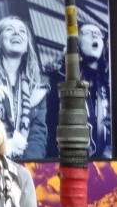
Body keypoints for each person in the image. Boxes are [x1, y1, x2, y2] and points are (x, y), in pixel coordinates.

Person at [44, 15, 113, 159]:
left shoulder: (109, 81)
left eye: (98, 34)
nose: (95, 36)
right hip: (70, 159)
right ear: (76, 43)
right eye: (87, 33)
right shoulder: (59, 78)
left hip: (106, 161)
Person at [0, 15, 48, 159]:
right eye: (9, 29)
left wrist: (29, 165)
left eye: (22, 31)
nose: (17, 33)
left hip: (24, 163)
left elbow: (37, 133)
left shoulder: (38, 87)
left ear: (27, 45)